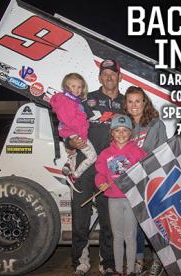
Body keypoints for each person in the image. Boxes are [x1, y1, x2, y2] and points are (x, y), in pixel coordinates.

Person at [69, 59, 125, 275]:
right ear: (99, 77)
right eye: (105, 74)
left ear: (119, 77)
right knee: (80, 219)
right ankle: (80, 261)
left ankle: (107, 262)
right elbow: (68, 127)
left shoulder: (126, 103)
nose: (109, 77)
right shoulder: (87, 101)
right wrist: (69, 143)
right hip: (86, 169)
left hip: (112, 171)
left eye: (113, 74)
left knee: (109, 221)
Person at [123, 86, 168, 276]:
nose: (134, 105)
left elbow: (164, 152)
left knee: (156, 224)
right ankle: (138, 260)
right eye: (130, 101)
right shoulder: (122, 124)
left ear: (144, 103)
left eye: (138, 101)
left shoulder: (156, 124)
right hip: (130, 183)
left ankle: (159, 261)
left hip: (151, 181)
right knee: (136, 226)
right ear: (126, 104)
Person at [95, 114, 147, 276]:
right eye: (117, 130)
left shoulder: (137, 152)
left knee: (130, 236)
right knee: (117, 236)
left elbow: (145, 170)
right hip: (113, 199)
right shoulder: (105, 153)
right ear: (112, 133)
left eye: (125, 130)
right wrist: (101, 183)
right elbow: (100, 173)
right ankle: (117, 270)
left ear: (130, 132)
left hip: (131, 199)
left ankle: (131, 271)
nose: (121, 134)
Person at [50, 73, 97, 193]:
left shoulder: (72, 100)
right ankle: (74, 176)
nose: (76, 89)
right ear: (66, 87)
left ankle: (69, 165)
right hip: (75, 133)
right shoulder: (68, 101)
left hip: (72, 132)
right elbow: (71, 121)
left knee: (75, 152)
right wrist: (83, 133)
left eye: (79, 87)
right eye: (73, 86)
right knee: (92, 157)